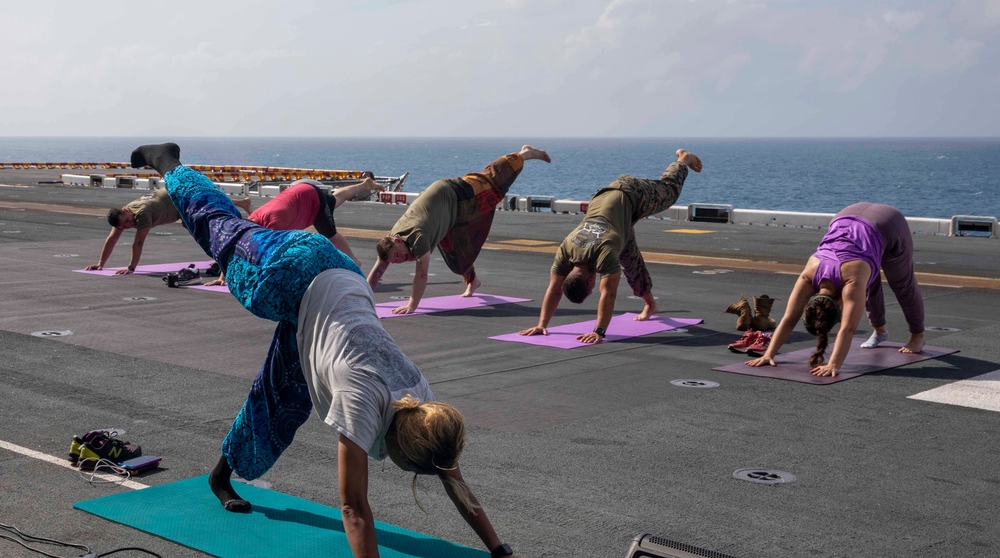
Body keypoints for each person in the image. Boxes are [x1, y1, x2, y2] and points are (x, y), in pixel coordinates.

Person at [129, 143, 551, 558]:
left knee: (281, 401)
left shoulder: (425, 405)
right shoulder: (361, 399)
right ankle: (169, 164)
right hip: (287, 273)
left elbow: (454, 478)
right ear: (396, 445)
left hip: (338, 283)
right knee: (221, 227)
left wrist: (500, 550)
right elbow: (353, 506)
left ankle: (220, 475)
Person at [519, 149, 702, 343]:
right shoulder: (565, 251)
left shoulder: (604, 254)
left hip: (631, 193)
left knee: (669, 191)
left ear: (590, 282)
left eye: (591, 289)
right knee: (631, 264)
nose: (594, 288)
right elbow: (555, 289)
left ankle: (682, 160)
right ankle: (651, 304)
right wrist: (542, 325)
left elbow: (609, 293)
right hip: (606, 207)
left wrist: (599, 331)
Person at [746, 202, 925, 377]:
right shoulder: (809, 276)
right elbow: (789, 318)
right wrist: (769, 354)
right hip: (846, 214)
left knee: (901, 283)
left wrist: (833, 364)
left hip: (888, 223)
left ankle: (918, 336)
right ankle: (880, 332)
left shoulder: (850, 280)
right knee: (866, 280)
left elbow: (847, 328)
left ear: (839, 308)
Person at [367, 146, 551, 313]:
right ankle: (473, 281)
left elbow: (421, 274)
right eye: (396, 261)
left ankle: (524, 154)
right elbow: (377, 272)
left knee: (493, 185)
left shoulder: (418, 238)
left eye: (398, 255)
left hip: (454, 193)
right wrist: (363, 301)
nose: (400, 260)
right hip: (447, 218)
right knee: (459, 260)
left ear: (398, 241)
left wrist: (412, 305)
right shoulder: (389, 244)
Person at [205, 176, 377, 286]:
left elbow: (271, 258)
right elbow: (236, 247)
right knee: (335, 200)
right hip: (298, 194)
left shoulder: (272, 225)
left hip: (309, 196)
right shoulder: (254, 219)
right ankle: (364, 184)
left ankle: (355, 262)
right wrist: (223, 277)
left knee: (328, 233)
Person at [84, 188, 198, 273]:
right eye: (123, 226)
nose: (129, 225)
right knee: (194, 229)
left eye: (127, 221)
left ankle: (216, 261)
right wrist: (100, 264)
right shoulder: (121, 217)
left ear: (126, 210)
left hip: (184, 197)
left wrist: (131, 268)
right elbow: (112, 239)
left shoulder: (142, 213)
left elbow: (138, 242)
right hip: (174, 197)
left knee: (199, 230)